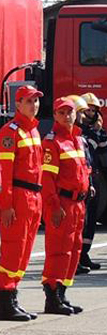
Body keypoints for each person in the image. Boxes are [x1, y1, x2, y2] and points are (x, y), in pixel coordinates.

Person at [0, 85, 44, 321]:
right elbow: (5, 173)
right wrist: (6, 205)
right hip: (20, 196)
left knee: (24, 251)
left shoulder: (33, 130)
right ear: (18, 104)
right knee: (13, 248)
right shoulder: (10, 132)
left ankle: (13, 294)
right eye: (29, 101)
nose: (33, 105)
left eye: (36, 101)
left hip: (34, 196)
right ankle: (6, 300)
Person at [40, 97, 91, 315]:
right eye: (61, 113)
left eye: (69, 112)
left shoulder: (77, 139)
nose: (66, 116)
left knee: (74, 249)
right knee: (58, 250)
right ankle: (52, 296)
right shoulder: (53, 142)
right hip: (62, 203)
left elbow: (83, 169)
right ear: (55, 116)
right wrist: (54, 205)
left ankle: (62, 293)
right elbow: (48, 179)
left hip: (78, 203)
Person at [79, 92, 105, 271]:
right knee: (82, 219)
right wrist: (95, 133)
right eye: (89, 109)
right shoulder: (78, 131)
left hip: (94, 177)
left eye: (95, 110)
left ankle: (84, 254)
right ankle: (78, 257)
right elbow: (90, 145)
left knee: (91, 220)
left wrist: (99, 131)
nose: (92, 113)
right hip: (82, 178)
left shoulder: (96, 132)